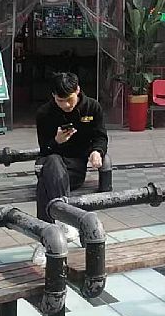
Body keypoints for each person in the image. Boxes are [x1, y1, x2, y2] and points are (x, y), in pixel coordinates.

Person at [31, 72, 108, 265]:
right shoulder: (45, 113)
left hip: (74, 169)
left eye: (69, 99)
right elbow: (44, 150)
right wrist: (56, 141)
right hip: (51, 163)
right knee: (53, 161)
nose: (65, 105)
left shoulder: (92, 107)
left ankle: (46, 238)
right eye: (60, 100)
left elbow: (100, 137)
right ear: (53, 96)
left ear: (78, 90)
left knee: (44, 185)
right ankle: (64, 222)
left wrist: (97, 152)